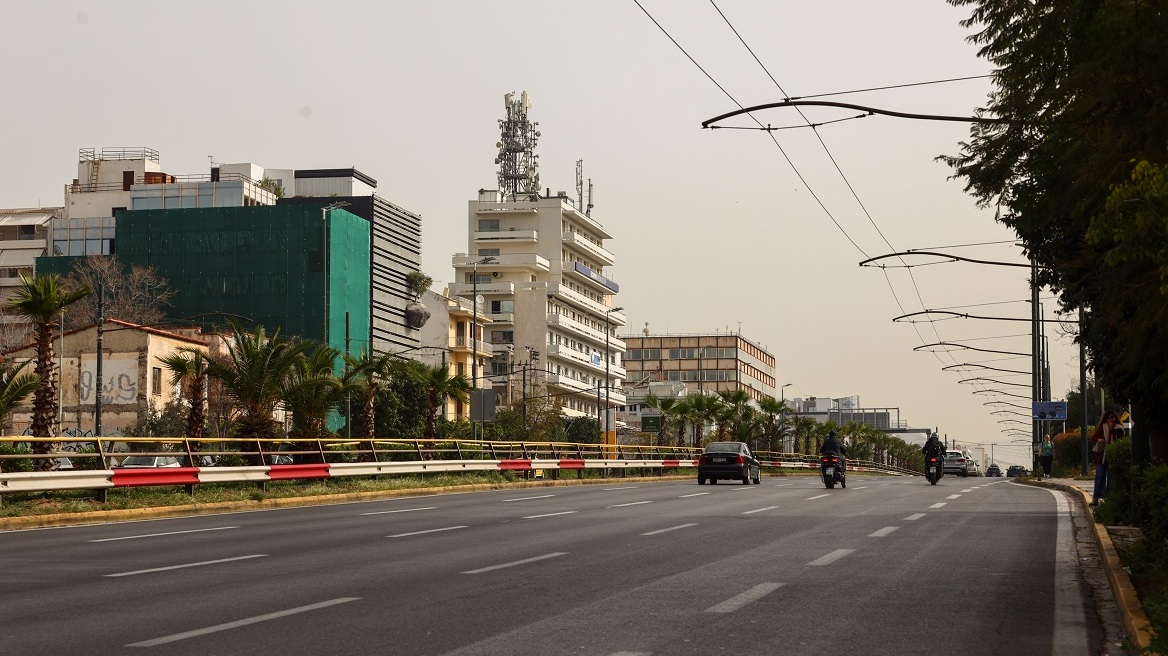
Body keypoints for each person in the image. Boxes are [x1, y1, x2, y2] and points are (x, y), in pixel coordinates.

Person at [1090, 411, 1125, 506]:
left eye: (1112, 417)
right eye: (1109, 418)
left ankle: (1109, 498)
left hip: (1113, 455)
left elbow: (1119, 439)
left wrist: (1112, 429)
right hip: (1102, 456)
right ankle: (1096, 498)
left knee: (1111, 477)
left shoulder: (1119, 428)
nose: (1110, 419)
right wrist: (1099, 440)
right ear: (1106, 418)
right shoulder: (1102, 426)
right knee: (1100, 476)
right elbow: (1094, 437)